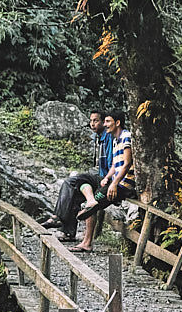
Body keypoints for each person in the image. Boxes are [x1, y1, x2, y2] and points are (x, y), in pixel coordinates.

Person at [41, 108, 113, 242]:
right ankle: (68, 232)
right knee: (72, 186)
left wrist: (108, 178)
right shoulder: (96, 137)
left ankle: (58, 218)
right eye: (91, 121)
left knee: (72, 183)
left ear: (103, 122)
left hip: (104, 176)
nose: (92, 124)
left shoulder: (108, 136)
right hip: (96, 173)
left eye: (96, 121)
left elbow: (111, 163)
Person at [69, 110, 135, 254]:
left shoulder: (126, 136)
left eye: (108, 122)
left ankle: (87, 242)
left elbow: (127, 164)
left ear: (117, 123)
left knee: (91, 207)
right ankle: (90, 202)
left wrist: (114, 183)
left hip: (123, 185)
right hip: (115, 182)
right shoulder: (116, 140)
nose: (105, 125)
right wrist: (107, 178)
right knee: (83, 180)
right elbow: (114, 165)